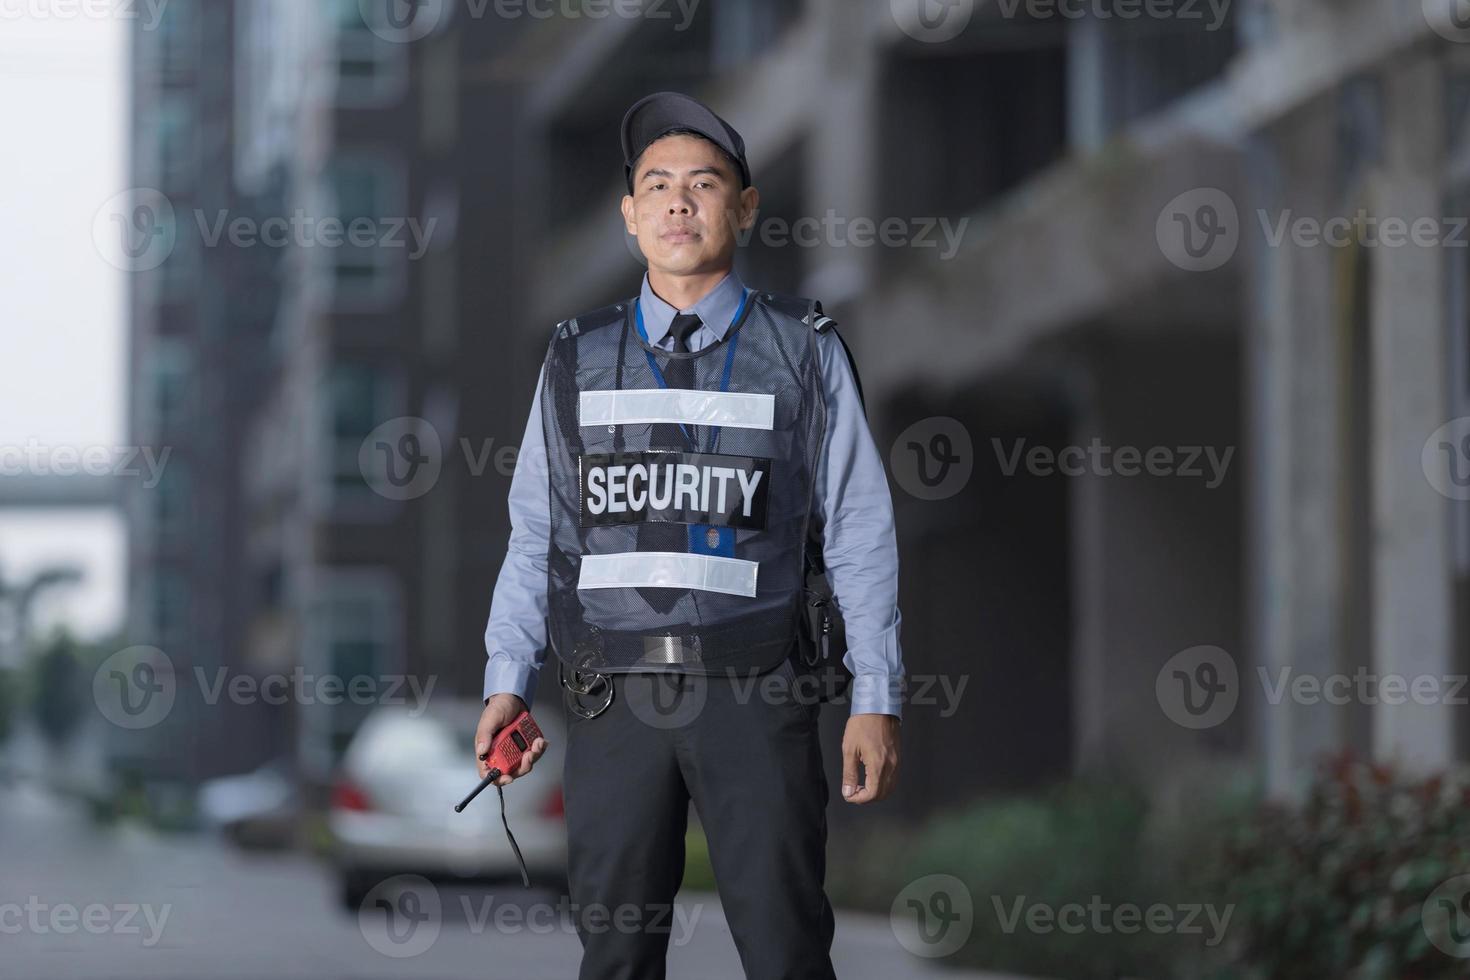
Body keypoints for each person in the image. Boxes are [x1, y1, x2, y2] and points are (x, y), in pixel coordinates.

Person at [475, 91, 904, 980]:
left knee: (786, 951)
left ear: (744, 208)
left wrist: (877, 694)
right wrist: (506, 682)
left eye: (704, 184)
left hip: (759, 691)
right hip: (615, 698)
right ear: (630, 216)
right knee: (617, 957)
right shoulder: (574, 358)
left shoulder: (803, 351)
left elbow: (860, 528)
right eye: (657, 186)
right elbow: (535, 536)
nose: (679, 202)